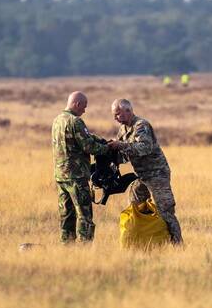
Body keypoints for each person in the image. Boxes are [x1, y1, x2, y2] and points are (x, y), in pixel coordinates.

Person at [51, 92, 120, 243]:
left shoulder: (57, 120)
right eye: (84, 107)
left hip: (61, 176)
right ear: (77, 104)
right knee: (84, 215)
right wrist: (108, 148)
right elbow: (88, 146)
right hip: (77, 176)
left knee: (66, 214)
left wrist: (101, 141)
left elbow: (87, 138)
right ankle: (85, 247)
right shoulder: (75, 122)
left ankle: (66, 246)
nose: (84, 111)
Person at [111, 98, 183, 244]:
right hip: (142, 176)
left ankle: (177, 245)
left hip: (157, 174)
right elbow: (124, 155)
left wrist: (121, 146)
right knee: (136, 206)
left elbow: (144, 148)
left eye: (118, 114)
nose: (115, 118)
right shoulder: (123, 129)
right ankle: (144, 242)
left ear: (128, 111)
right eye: (114, 115)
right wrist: (110, 151)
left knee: (165, 210)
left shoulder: (141, 125)